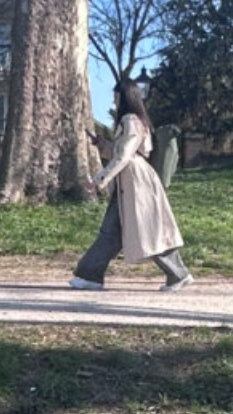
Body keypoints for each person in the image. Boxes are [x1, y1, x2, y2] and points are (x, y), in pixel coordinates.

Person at [69, 79, 192, 292]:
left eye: (116, 96)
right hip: (131, 182)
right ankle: (91, 274)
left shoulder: (130, 121)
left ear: (125, 97)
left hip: (135, 182)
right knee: (130, 230)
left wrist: (99, 180)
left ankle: (91, 275)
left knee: (141, 230)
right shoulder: (135, 121)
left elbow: (124, 156)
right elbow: (123, 152)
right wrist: (103, 145)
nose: (114, 101)